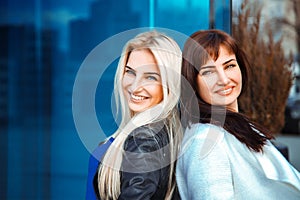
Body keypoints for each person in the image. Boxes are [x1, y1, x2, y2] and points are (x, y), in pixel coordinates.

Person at [176, 29, 300, 199]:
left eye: (229, 66)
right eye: (208, 72)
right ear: (192, 82)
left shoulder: (239, 127)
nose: (224, 79)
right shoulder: (205, 142)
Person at [86, 30, 183, 200]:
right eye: (130, 72)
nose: (135, 85)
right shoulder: (167, 132)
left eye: (151, 77)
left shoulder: (144, 140)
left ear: (169, 85)